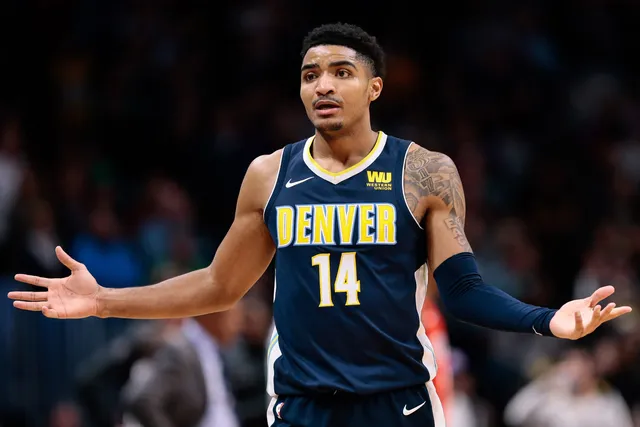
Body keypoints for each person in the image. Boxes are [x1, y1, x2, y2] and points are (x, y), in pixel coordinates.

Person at [7, 22, 632, 427]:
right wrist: (104, 301)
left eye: (341, 72)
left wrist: (548, 319)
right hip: (303, 406)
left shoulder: (424, 172)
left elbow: (463, 290)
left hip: (397, 403)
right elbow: (220, 286)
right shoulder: (268, 175)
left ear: (375, 87)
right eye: (310, 76)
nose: (322, 86)